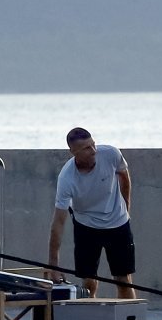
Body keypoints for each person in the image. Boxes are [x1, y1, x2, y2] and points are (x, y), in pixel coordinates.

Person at [45, 127, 137, 299]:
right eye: (87, 148)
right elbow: (58, 222)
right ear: (73, 152)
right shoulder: (67, 178)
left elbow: (124, 176)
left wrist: (126, 206)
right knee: (88, 281)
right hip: (86, 226)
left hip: (118, 223)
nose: (93, 151)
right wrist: (53, 266)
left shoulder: (110, 154)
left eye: (93, 145)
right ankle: (92, 318)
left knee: (123, 280)